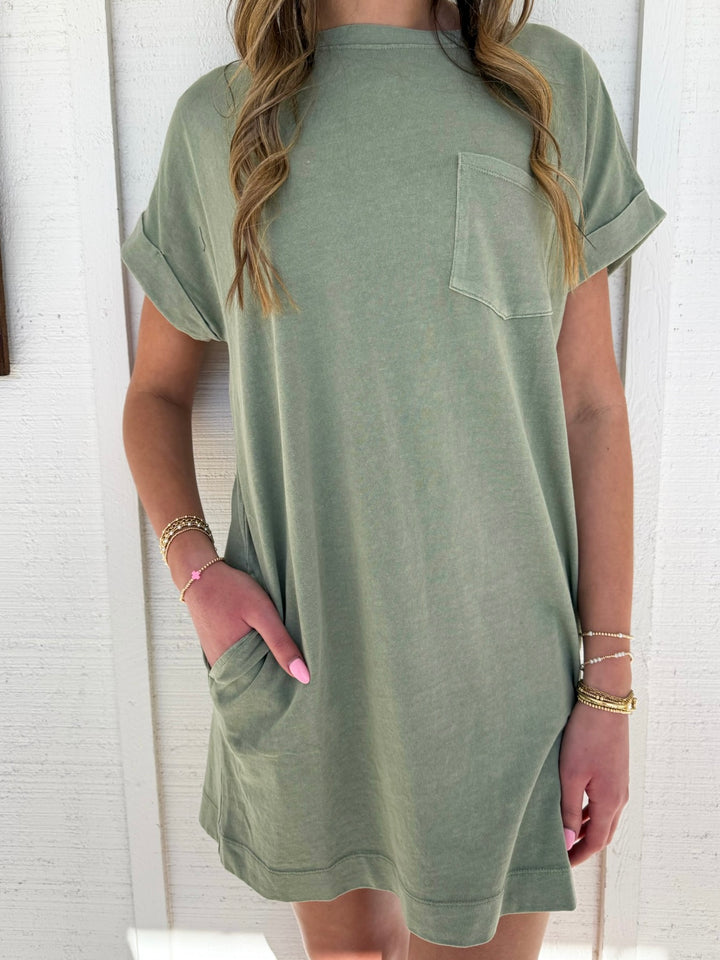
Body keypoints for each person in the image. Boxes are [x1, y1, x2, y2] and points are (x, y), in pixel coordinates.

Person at [120, 0, 666, 956]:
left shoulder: (549, 89)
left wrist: (608, 688)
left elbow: (591, 407)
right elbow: (154, 396)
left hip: (500, 687)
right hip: (304, 669)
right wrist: (197, 574)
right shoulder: (222, 123)